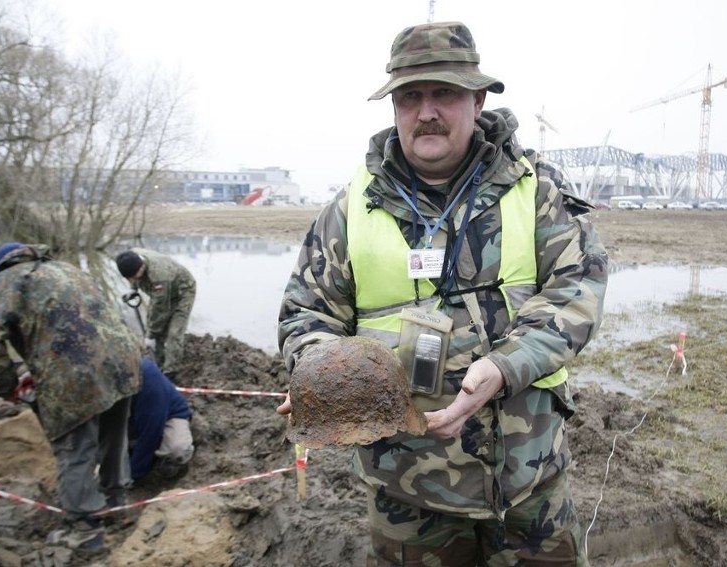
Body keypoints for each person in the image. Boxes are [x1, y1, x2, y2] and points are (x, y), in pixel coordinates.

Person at [276, 21, 608, 566]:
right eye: (410, 97)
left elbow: (578, 289)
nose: (426, 110)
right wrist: (323, 374)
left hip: (529, 486)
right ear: (395, 109)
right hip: (406, 494)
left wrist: (504, 366)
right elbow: (305, 313)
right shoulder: (348, 210)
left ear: (477, 101)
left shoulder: (537, 190)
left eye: (445, 93)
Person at [0, 242, 142, 555]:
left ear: (1, 265)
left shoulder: (7, 281)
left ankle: (85, 529)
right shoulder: (66, 269)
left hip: (75, 374)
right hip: (123, 361)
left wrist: (6, 386)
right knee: (113, 437)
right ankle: (116, 505)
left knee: (74, 449)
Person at [115, 247, 196, 382]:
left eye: (136, 276)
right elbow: (133, 278)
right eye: (131, 278)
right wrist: (132, 290)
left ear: (142, 267)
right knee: (157, 330)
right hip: (162, 293)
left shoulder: (160, 276)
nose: (134, 279)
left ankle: (170, 372)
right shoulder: (132, 256)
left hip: (183, 293)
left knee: (174, 333)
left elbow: (160, 309)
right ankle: (158, 363)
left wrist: (150, 335)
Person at [129, 358, 194, 483]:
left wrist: (133, 474)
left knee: (177, 450)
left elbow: (151, 433)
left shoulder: (148, 379)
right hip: (133, 419)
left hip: (169, 417)